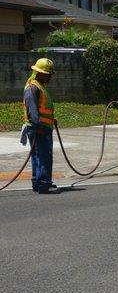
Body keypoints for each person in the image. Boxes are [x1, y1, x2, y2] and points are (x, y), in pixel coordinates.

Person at [23, 58, 60, 194]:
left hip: (42, 126)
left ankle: (38, 183)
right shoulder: (33, 88)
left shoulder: (39, 86)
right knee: (44, 155)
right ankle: (44, 184)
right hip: (39, 128)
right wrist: (38, 125)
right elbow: (32, 110)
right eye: (47, 74)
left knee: (38, 155)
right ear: (38, 73)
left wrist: (51, 119)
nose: (50, 77)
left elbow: (42, 108)